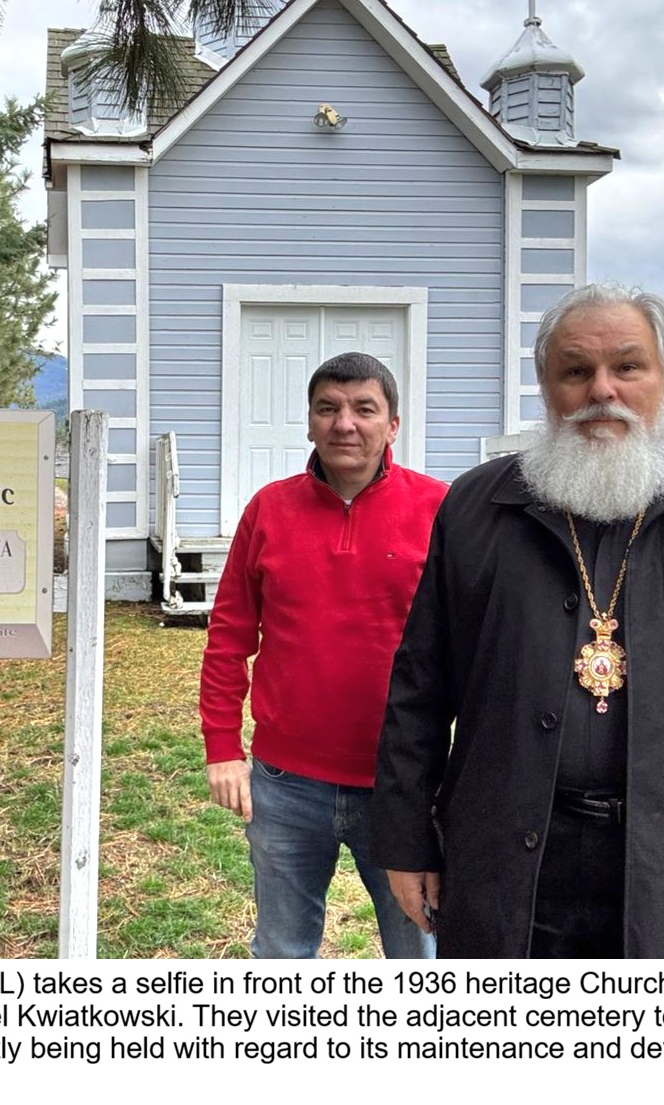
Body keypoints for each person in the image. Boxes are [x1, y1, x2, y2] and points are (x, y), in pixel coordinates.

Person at [370, 282, 664, 959]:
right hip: (515, 866)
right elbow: (420, 687)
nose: (601, 389)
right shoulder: (477, 506)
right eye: (576, 370)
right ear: (546, 385)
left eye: (627, 366)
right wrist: (407, 839)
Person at [200, 352, 448, 958]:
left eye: (365, 409)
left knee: (420, 950)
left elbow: (476, 644)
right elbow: (230, 634)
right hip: (286, 786)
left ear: (392, 425)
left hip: (403, 784)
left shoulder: (440, 510)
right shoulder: (268, 510)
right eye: (328, 409)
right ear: (309, 423)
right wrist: (223, 749)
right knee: (282, 952)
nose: (345, 424)